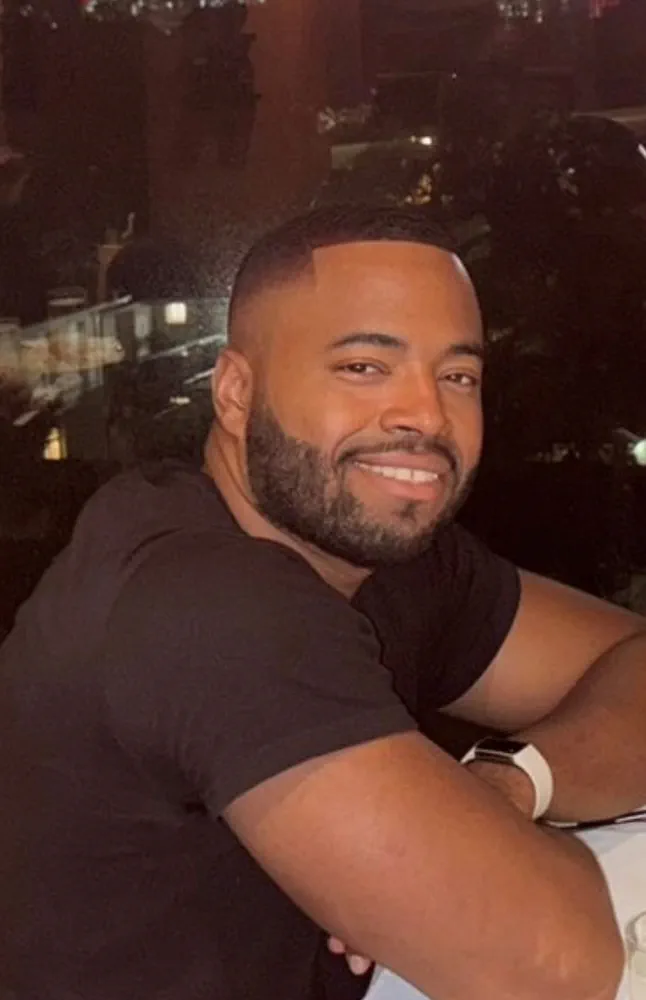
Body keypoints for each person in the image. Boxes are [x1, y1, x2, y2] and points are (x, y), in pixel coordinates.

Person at [0, 205, 641, 1000]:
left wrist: (515, 779)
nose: (426, 417)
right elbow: (552, 964)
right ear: (235, 392)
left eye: (458, 376)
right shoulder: (200, 600)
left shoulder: (381, 554)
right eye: (364, 367)